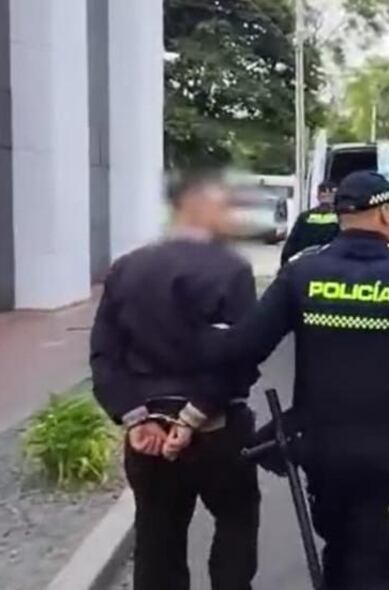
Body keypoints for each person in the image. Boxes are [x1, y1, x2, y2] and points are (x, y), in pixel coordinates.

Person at [191, 170, 389, 590]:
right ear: (382, 214)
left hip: (322, 456)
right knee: (382, 558)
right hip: (388, 461)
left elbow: (243, 349)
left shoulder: (302, 272)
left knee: (339, 547)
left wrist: (196, 396)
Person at [89, 171, 261, 590]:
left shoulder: (128, 268)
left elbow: (104, 355)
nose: (231, 215)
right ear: (195, 204)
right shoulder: (231, 271)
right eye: (223, 205)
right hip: (217, 429)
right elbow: (239, 356)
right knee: (237, 520)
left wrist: (136, 417)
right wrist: (192, 416)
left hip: (147, 437)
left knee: (156, 538)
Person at [281, 180, 340, 266]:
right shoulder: (342, 217)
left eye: (329, 192)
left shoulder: (305, 216)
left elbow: (291, 245)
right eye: (324, 192)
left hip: (307, 262)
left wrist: (285, 264)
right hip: (329, 263)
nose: (326, 195)